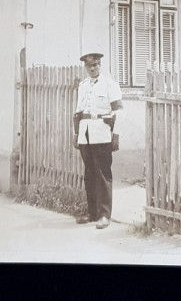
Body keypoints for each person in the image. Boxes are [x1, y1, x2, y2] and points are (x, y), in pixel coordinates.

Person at [73, 52, 123, 229]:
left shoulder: (110, 85)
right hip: (85, 134)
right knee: (89, 174)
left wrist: (115, 135)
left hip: (102, 133)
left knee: (103, 174)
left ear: (100, 66)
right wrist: (76, 134)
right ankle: (92, 213)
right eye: (88, 66)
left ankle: (104, 215)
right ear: (86, 67)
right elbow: (78, 112)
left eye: (95, 65)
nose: (92, 68)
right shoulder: (83, 85)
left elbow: (118, 112)